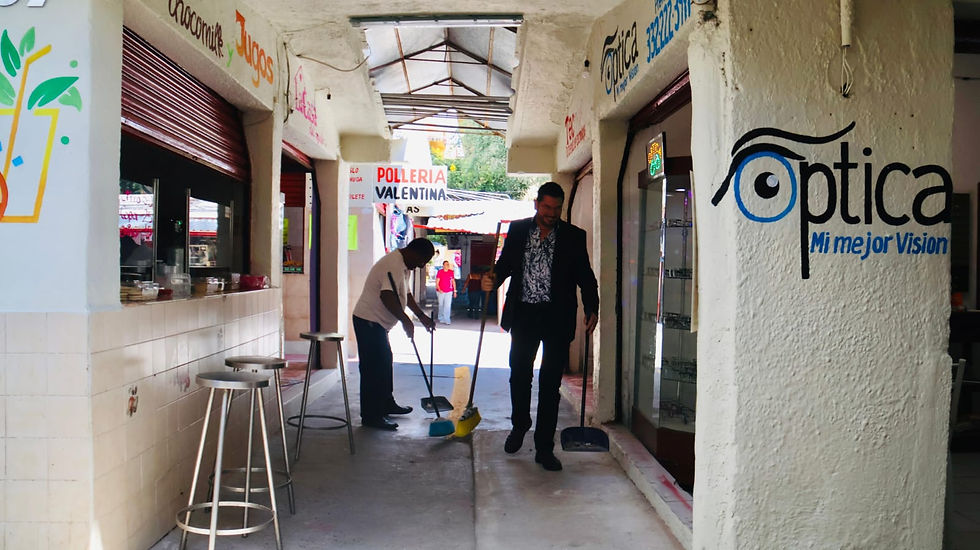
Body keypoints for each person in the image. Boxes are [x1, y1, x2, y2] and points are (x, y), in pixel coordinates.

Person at [483, 182, 598, 471]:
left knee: (550, 383)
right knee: (519, 376)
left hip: (557, 318)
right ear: (537, 204)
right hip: (523, 315)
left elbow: (585, 275)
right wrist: (492, 280)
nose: (551, 213)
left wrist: (592, 307)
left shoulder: (573, 236)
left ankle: (544, 447)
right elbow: (505, 265)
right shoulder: (519, 230)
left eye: (557, 208)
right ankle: (520, 425)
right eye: (547, 207)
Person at [352, 238, 436, 430]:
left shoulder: (403, 265)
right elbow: (387, 296)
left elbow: (405, 295)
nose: (421, 265)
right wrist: (405, 320)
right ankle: (371, 416)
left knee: (385, 362)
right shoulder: (393, 264)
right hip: (368, 321)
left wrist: (421, 317)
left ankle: (386, 403)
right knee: (373, 369)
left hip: (377, 324)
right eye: (422, 260)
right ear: (413, 252)